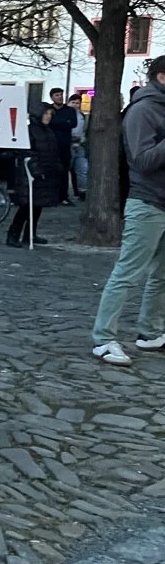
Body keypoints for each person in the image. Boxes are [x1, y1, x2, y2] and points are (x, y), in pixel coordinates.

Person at [91, 56, 165, 366]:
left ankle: (150, 333)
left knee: (162, 275)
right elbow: (143, 160)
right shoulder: (143, 109)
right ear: (162, 77)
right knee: (127, 273)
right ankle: (103, 338)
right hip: (147, 204)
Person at [7, 103, 64, 248]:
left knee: (38, 206)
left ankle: (30, 234)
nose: (48, 117)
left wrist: (57, 168)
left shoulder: (48, 132)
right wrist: (36, 170)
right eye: (46, 114)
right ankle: (13, 235)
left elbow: (53, 152)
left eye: (50, 114)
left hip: (46, 174)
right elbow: (27, 153)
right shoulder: (29, 131)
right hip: (32, 175)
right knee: (26, 206)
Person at [47, 87, 77, 206]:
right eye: (57, 95)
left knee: (64, 171)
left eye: (61, 94)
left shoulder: (69, 110)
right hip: (51, 146)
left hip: (64, 146)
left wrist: (56, 123)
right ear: (52, 97)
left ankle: (63, 196)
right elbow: (47, 123)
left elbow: (73, 123)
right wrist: (63, 123)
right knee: (51, 171)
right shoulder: (48, 109)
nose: (59, 97)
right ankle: (51, 195)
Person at [69, 94, 88, 201]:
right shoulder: (66, 114)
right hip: (69, 145)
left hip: (79, 144)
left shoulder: (81, 115)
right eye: (73, 102)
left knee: (82, 169)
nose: (76, 105)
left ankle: (81, 191)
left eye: (77, 103)